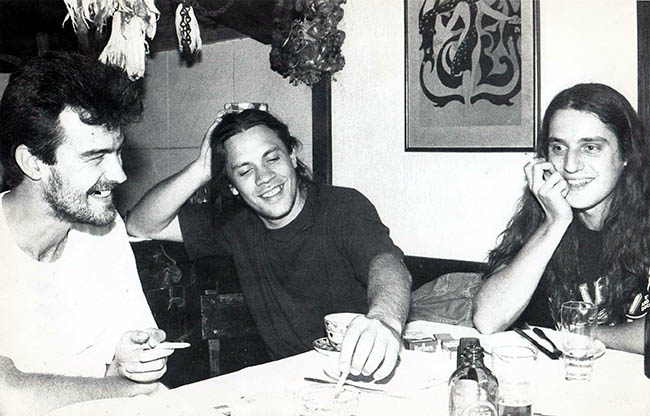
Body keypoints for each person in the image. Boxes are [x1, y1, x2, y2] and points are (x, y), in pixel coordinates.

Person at [127, 109, 412, 380]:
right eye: (244, 171)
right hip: (290, 385)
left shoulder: (341, 207)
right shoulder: (235, 223)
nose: (264, 177)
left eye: (272, 158)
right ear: (232, 186)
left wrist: (384, 320)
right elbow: (141, 224)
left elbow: (386, 263)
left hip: (363, 376)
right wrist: (201, 169)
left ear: (292, 155)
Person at [0, 51, 176, 415]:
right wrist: (126, 389)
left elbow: (122, 374)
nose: (119, 174)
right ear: (33, 163)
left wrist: (131, 365)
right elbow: (8, 394)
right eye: (95, 156)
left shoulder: (105, 232)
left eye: (117, 152)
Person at [473, 83, 650, 353]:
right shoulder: (543, 216)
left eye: (590, 147)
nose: (570, 165)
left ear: (626, 153)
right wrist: (554, 223)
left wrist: (583, 334)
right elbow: (487, 320)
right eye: (558, 148)